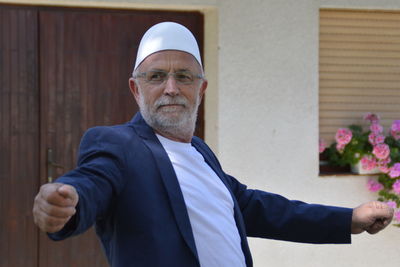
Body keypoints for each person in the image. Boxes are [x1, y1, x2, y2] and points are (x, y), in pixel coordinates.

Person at [33, 22, 394, 267]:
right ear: (135, 88)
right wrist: (69, 203)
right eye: (156, 76)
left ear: (200, 89)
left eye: (184, 76)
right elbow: (93, 181)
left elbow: (255, 208)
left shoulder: (201, 153)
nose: (171, 88)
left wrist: (349, 219)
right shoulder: (118, 145)